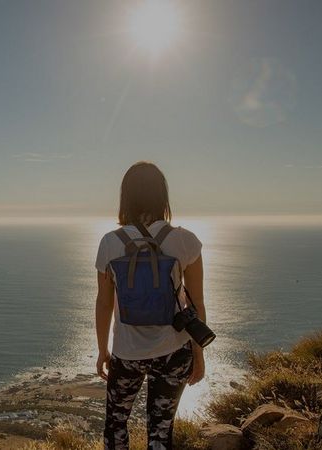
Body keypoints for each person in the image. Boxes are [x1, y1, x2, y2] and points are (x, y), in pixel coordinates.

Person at [94, 161, 206, 450]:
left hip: (127, 352)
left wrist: (101, 350)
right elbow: (197, 303)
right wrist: (198, 354)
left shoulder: (110, 243)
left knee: (116, 424)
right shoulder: (185, 241)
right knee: (160, 431)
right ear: (162, 196)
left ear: (125, 197)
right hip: (174, 351)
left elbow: (104, 303)